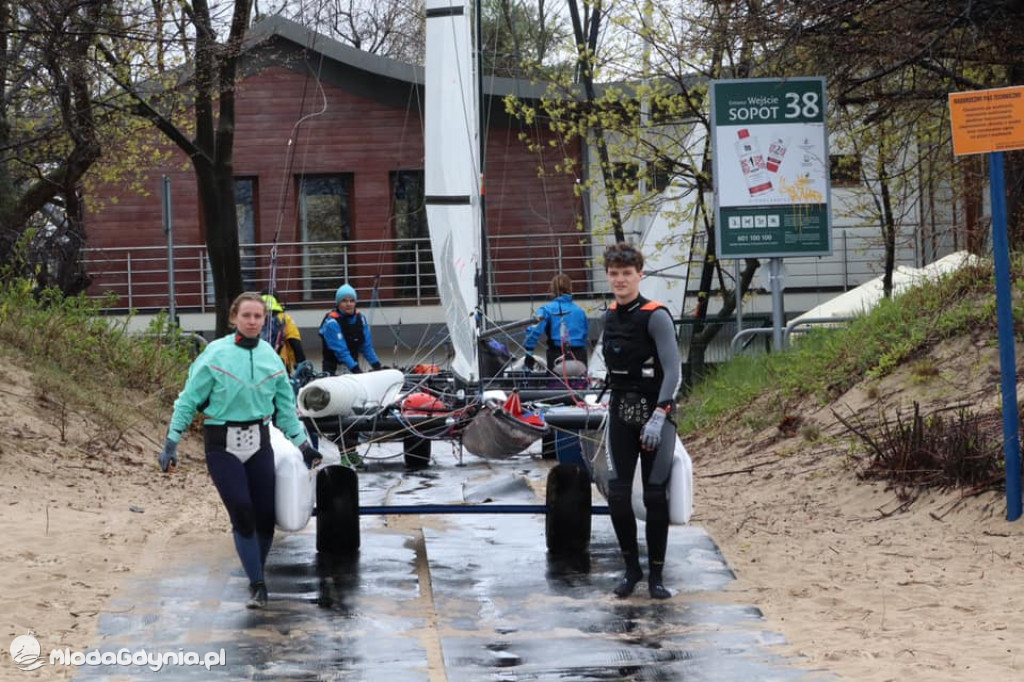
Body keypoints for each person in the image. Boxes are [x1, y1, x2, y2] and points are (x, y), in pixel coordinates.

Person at [157, 292, 324, 609]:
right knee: (243, 513)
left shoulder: (271, 359)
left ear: (265, 320)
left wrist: (303, 446)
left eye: (257, 317)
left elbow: (285, 413)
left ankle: (256, 572)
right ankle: (257, 584)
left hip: (259, 442)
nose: (251, 321)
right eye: (245, 315)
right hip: (222, 445)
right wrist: (171, 442)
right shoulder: (215, 355)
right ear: (234, 317)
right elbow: (188, 400)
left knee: (264, 516)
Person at [601, 242, 681, 600]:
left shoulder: (656, 315)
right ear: (608, 276)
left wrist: (660, 414)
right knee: (617, 493)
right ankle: (632, 570)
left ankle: (657, 577)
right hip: (621, 411)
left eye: (626, 274)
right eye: (614, 274)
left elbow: (674, 370)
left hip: (655, 413)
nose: (620, 280)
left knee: (653, 494)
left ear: (639, 275)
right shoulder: (608, 316)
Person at [523, 273, 589, 371]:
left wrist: (529, 350)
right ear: (570, 288)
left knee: (557, 385)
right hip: (580, 357)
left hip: (557, 356)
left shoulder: (546, 310)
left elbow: (534, 330)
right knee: (579, 385)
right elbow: (585, 335)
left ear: (552, 289)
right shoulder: (580, 311)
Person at [319, 283, 382, 375]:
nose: (348, 304)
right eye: (344, 301)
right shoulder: (331, 323)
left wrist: (377, 366)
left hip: (353, 365)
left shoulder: (361, 319)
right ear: (338, 303)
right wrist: (357, 371)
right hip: (334, 369)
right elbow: (341, 352)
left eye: (351, 301)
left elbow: (366, 346)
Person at [261, 291, 306, 373]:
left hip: (259, 362)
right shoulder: (284, 318)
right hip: (280, 361)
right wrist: (300, 362)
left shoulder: (255, 319)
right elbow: (294, 341)